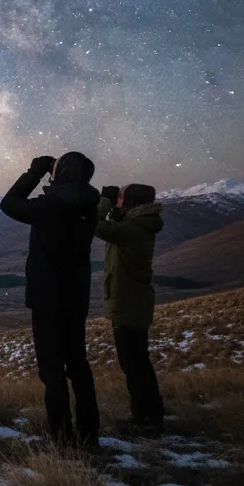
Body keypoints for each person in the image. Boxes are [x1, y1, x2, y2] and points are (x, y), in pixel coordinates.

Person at [0, 152, 101, 450]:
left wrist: (33, 174)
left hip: (47, 296)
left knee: (52, 368)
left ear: (62, 174)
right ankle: (88, 432)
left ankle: (60, 435)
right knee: (78, 365)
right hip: (76, 295)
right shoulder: (89, 203)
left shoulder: (52, 205)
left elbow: (9, 204)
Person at [97, 183, 165, 436]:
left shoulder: (132, 229)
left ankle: (144, 420)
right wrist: (116, 208)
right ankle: (150, 415)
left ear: (131, 202)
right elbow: (113, 225)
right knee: (139, 362)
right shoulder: (138, 225)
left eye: (121, 197)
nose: (118, 200)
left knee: (133, 364)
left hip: (127, 302)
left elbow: (97, 226)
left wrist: (104, 202)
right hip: (133, 301)